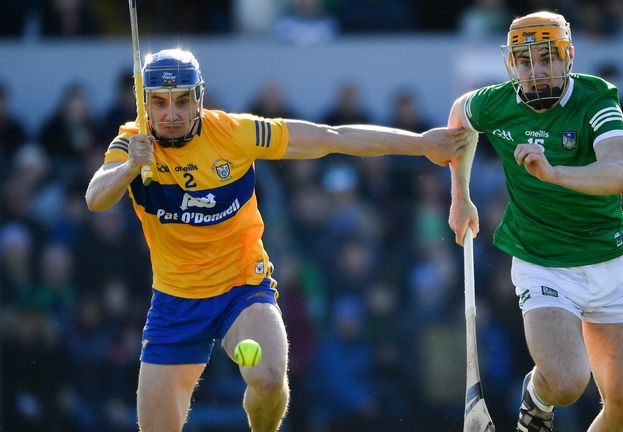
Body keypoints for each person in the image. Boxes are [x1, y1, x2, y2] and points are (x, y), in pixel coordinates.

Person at [84, 48, 469, 432]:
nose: (172, 114)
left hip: (242, 287)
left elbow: (330, 137)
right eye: (161, 103)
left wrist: (422, 144)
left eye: (183, 101)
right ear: (145, 104)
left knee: (268, 378)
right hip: (174, 302)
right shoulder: (133, 142)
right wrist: (132, 166)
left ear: (198, 98)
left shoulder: (235, 133)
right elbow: (96, 198)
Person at [445, 12, 623, 432]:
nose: (536, 72)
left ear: (568, 57)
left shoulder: (595, 100)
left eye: (547, 58)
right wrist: (460, 197)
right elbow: (458, 119)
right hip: (543, 263)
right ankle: (536, 398)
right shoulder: (496, 103)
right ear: (511, 65)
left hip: (611, 262)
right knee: (567, 381)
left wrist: (555, 173)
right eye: (525, 62)